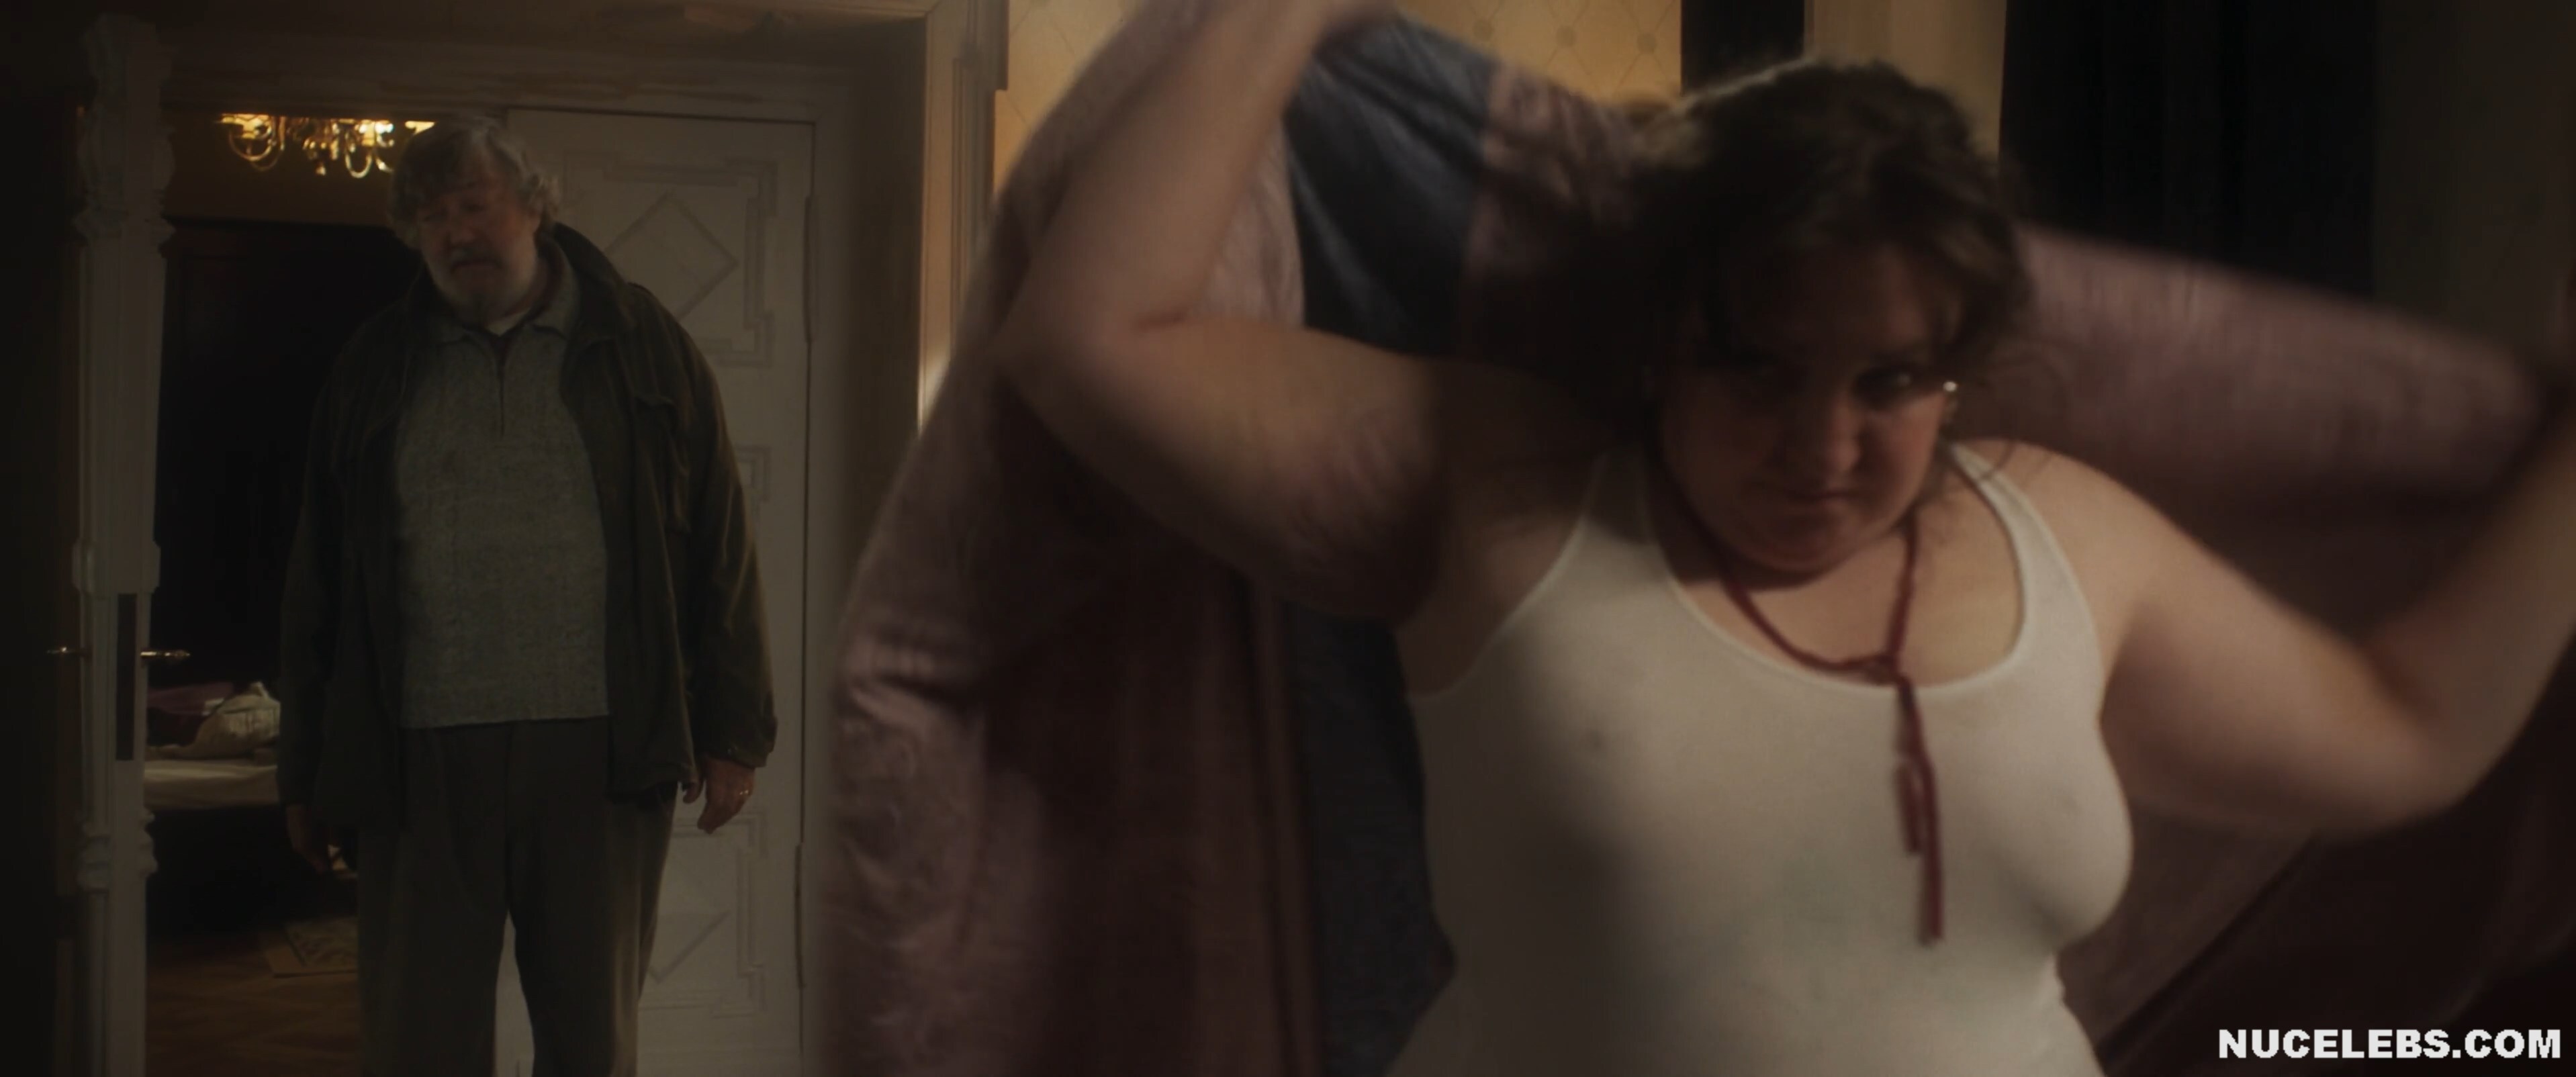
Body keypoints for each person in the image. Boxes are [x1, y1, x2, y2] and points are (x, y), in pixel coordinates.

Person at [979, 0, 2576, 1073]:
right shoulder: (1506, 488)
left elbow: (2409, 727)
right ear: (1665, 339)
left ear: (1957, 367)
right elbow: (1088, 342)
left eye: (1890, 382)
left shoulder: (2063, 537)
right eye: (1758, 367)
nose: (1821, 450)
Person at [273, 116, 776, 1077]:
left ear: (536, 207)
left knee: (591, 1040)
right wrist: (302, 768)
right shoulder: (376, 363)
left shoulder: (643, 345)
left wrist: (735, 731)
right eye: (432, 217)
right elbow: (319, 579)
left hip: (602, 749)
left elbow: (721, 544)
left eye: (476, 206)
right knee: (418, 1041)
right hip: (415, 754)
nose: (457, 233)